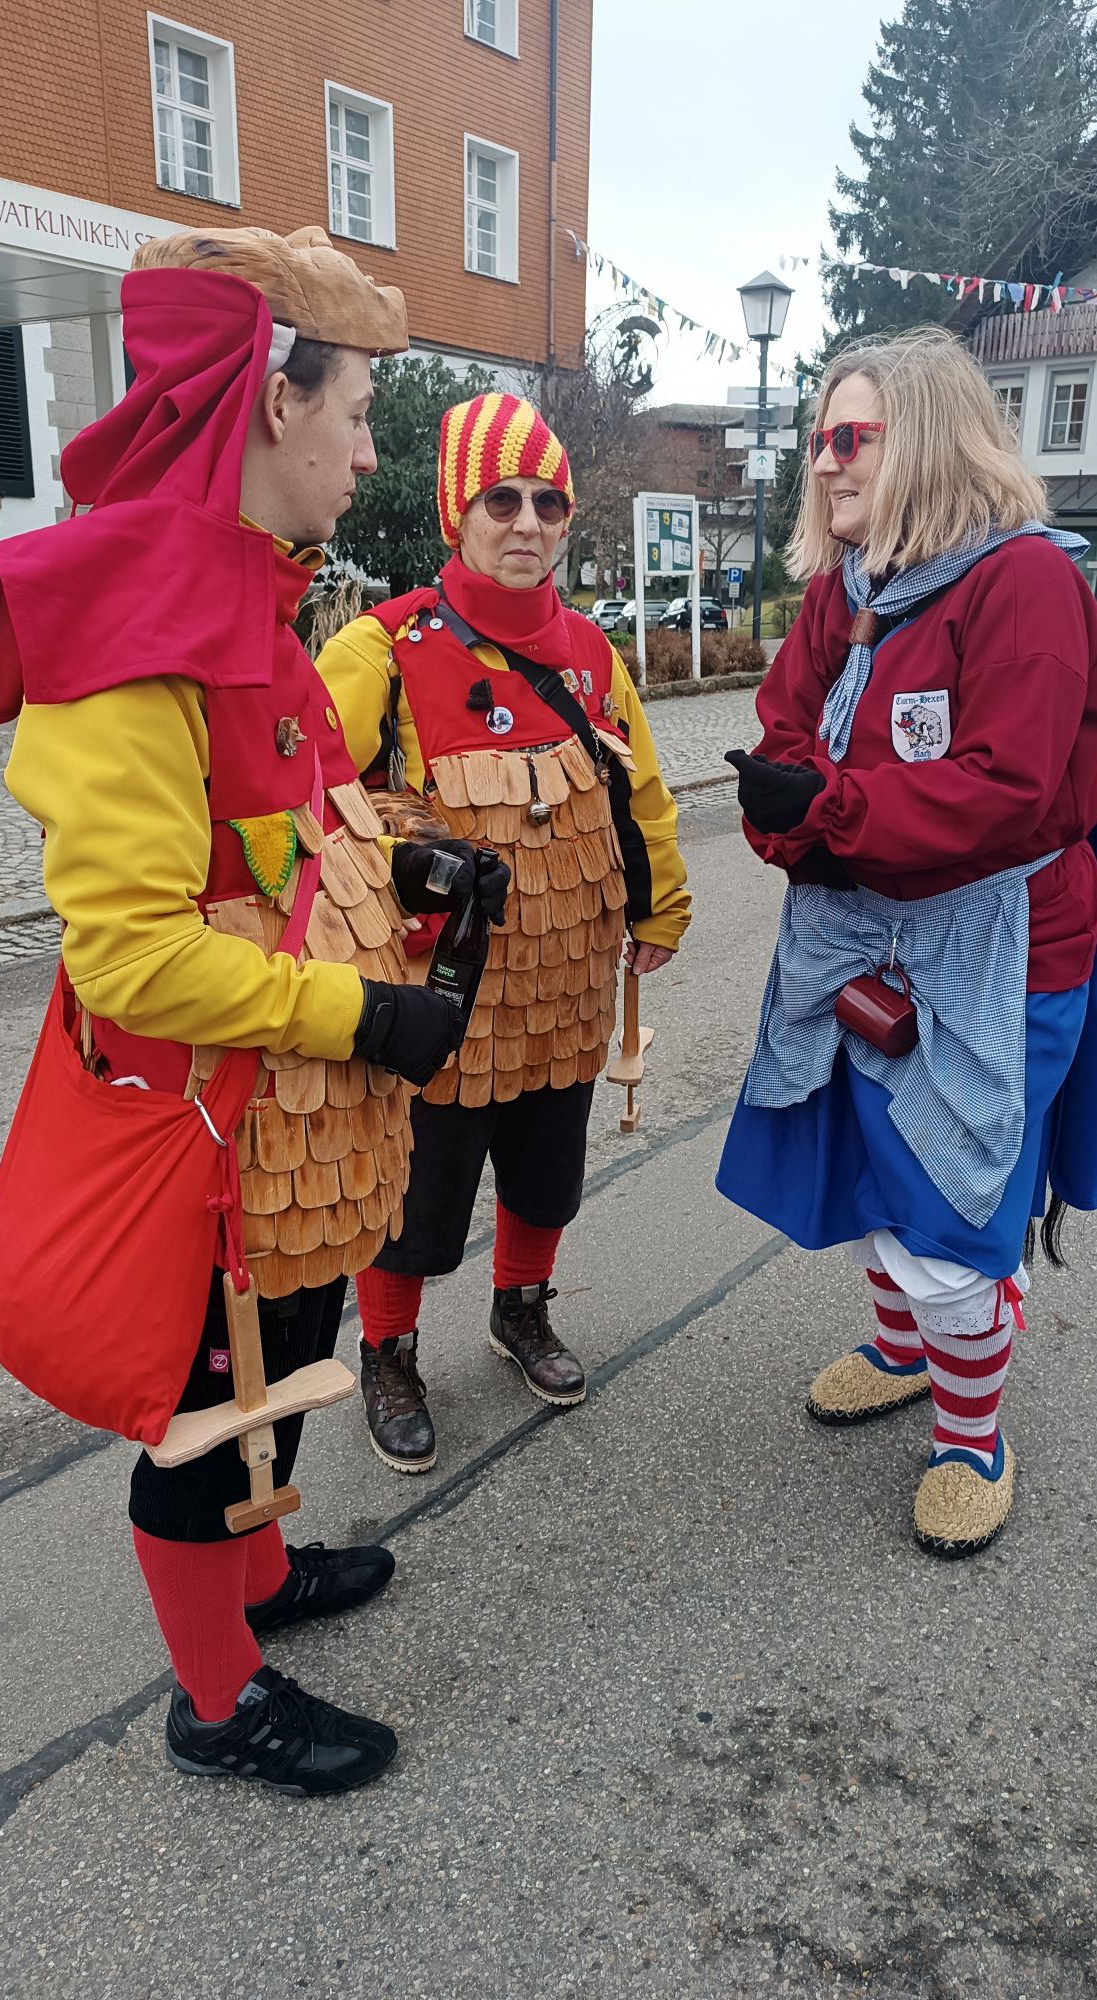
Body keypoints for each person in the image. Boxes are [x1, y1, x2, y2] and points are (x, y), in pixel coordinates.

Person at [0, 225, 486, 1793]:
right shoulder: (138, 636)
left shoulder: (253, 605)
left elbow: (286, 837)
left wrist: (406, 859)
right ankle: (217, 1698)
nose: (370, 452)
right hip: (201, 1138)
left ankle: (260, 1576)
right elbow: (129, 955)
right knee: (205, 1416)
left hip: (283, 1131)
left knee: (290, 1351)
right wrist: (363, 1018)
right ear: (276, 401)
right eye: (359, 415)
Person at [718, 328, 1097, 1557]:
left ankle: (973, 1438)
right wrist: (788, 810)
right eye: (819, 439)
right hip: (859, 932)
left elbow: (1009, 790)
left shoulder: (1023, 583)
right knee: (877, 1167)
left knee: (954, 1200)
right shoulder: (847, 586)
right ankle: (902, 1348)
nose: (825, 461)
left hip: (997, 950)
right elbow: (787, 726)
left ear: (925, 439)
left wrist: (828, 810)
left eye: (850, 437)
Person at [315, 393, 691, 1473]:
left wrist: (660, 905)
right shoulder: (381, 649)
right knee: (415, 1192)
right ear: (457, 512)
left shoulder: (593, 656)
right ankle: (389, 1351)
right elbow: (310, 805)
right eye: (501, 499)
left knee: (545, 1169)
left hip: (566, 983)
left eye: (547, 502)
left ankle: (520, 1307)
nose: (527, 522)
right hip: (438, 995)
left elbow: (640, 797)